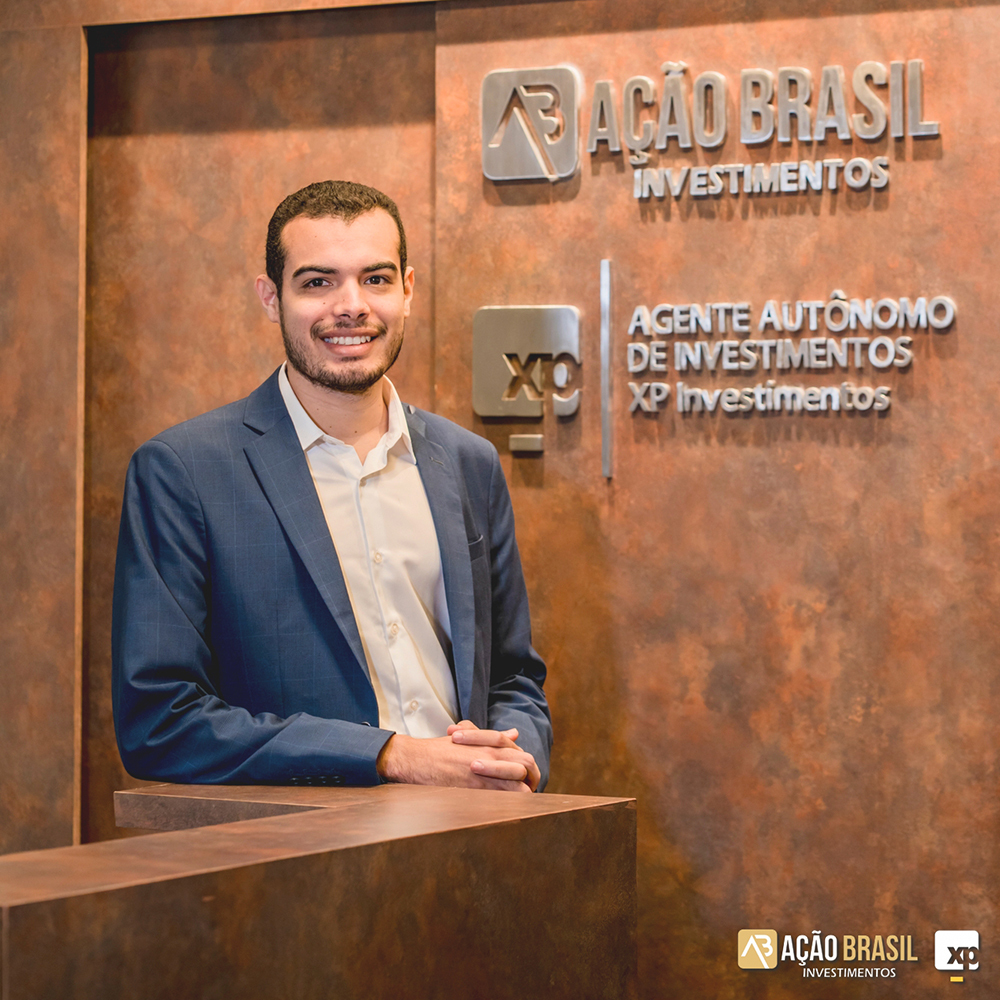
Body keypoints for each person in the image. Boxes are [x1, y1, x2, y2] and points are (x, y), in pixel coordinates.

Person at [112, 180, 551, 793]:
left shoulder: (468, 463)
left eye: (376, 279)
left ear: (407, 290)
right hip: (306, 846)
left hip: (474, 831)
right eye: (318, 282)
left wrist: (512, 757)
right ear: (271, 298)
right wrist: (390, 755)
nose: (351, 306)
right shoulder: (183, 472)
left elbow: (513, 679)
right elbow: (160, 723)